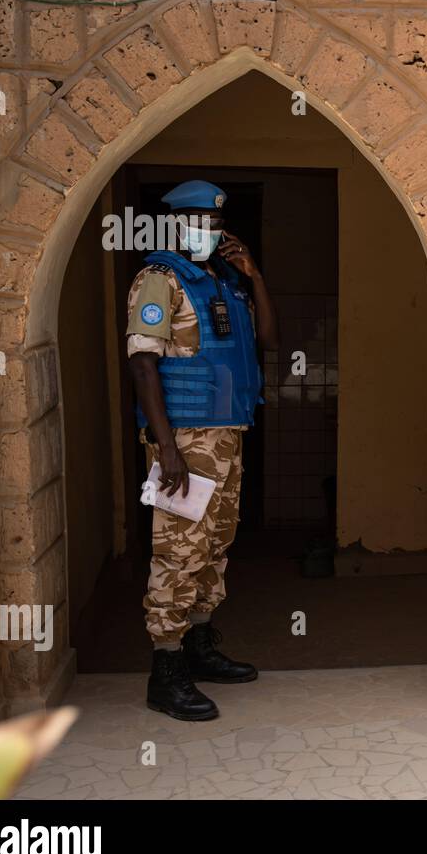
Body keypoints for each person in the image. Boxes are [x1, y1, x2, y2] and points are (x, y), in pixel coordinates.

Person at [126, 180, 278, 720]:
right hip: (185, 442)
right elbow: (143, 362)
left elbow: (267, 339)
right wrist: (165, 446)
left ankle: (199, 646)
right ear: (173, 224)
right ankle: (165, 670)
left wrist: (253, 275)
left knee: (214, 545)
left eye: (214, 224)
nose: (206, 232)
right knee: (177, 550)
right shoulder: (158, 279)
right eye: (196, 222)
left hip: (226, 436)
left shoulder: (226, 282)